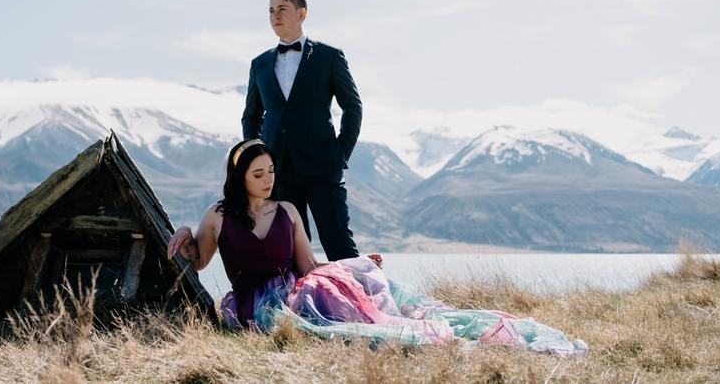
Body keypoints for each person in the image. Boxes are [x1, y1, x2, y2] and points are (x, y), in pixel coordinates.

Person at [167, 140, 588, 354]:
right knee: (321, 310)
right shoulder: (218, 215)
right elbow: (200, 262)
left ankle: (417, 327)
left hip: (296, 287)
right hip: (253, 304)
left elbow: (308, 265)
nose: (268, 179)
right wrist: (185, 230)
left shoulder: (288, 211)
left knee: (339, 289)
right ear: (239, 176)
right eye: (258, 173)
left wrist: (352, 265)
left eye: (272, 171)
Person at [241, 0, 361, 261]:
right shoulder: (259, 64)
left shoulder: (329, 57)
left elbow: (353, 106)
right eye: (271, 10)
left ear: (302, 13)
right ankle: (301, 305)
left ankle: (360, 303)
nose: (275, 15)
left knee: (341, 248)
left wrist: (340, 153)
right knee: (291, 252)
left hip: (323, 166)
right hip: (279, 170)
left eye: (282, 8)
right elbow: (251, 116)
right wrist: (257, 159)